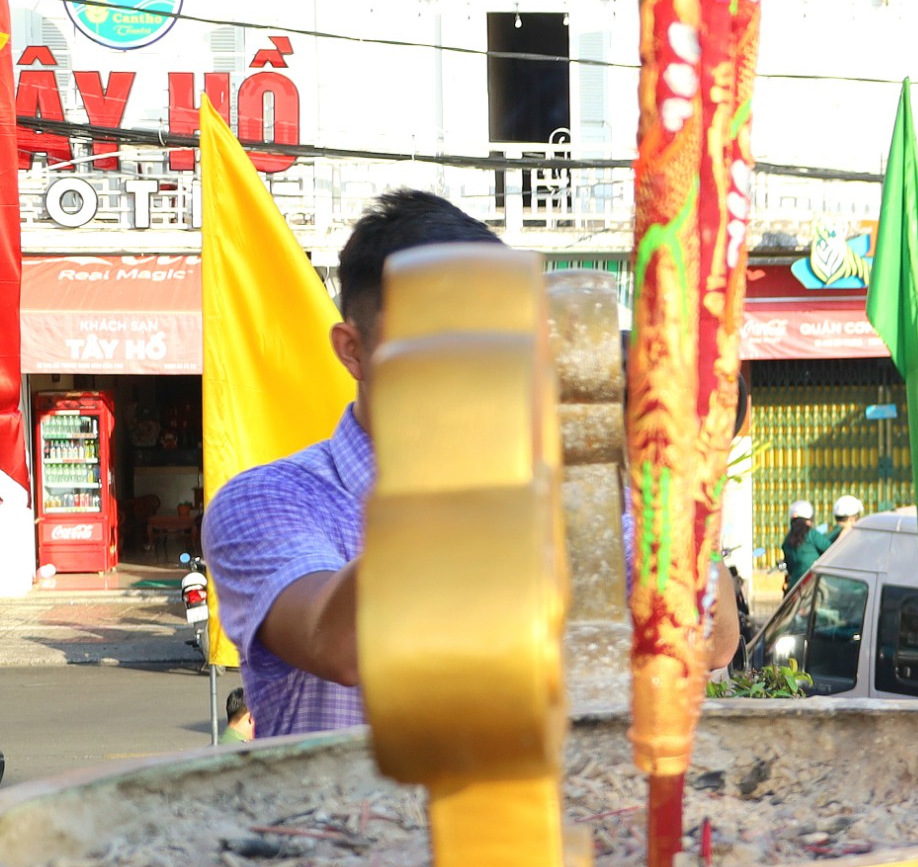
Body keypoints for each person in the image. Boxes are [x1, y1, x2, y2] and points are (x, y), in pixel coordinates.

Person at [204, 190, 737, 736]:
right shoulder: (270, 501)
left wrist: (661, 471)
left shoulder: (561, 490)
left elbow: (710, 638)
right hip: (352, 822)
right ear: (353, 350)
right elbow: (342, 647)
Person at [782, 499, 827, 590]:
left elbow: (790, 568)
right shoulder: (812, 535)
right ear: (808, 520)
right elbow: (832, 550)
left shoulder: (787, 541)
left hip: (795, 587)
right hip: (815, 584)